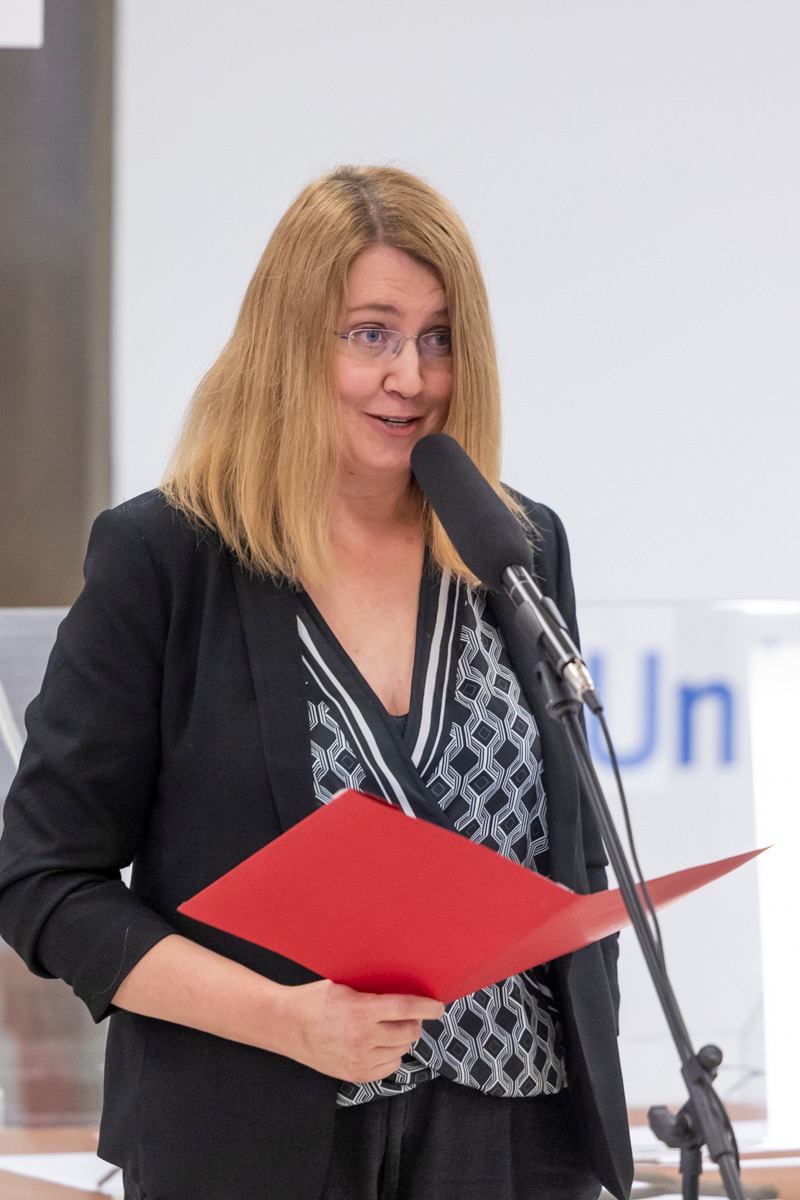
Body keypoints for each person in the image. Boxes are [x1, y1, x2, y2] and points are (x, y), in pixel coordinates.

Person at [0, 165, 633, 1200]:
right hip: (257, 1143)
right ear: (288, 343)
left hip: (516, 1142)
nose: (410, 377)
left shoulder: (515, 545)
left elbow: (567, 857)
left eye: (439, 339)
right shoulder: (166, 557)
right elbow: (45, 882)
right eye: (370, 334)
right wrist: (286, 1018)